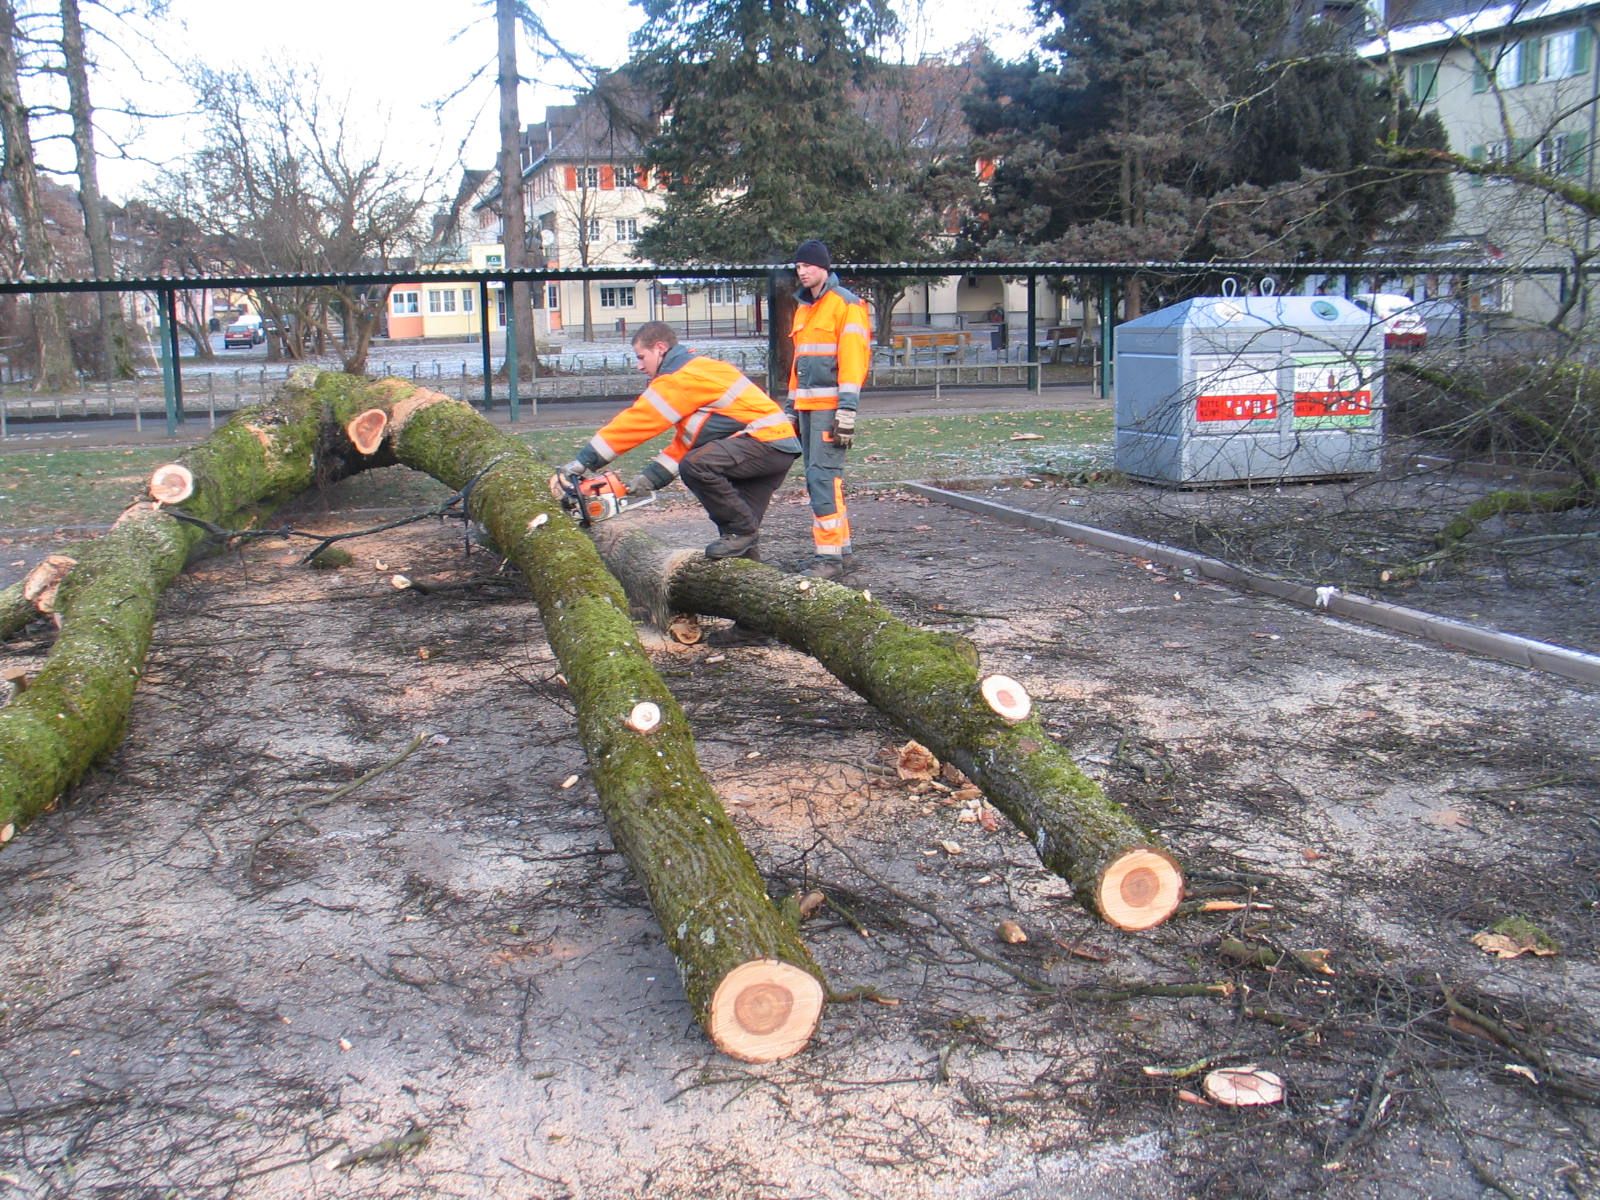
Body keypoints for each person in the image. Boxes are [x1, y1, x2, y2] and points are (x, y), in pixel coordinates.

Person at [559, 322, 800, 562]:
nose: (639, 365)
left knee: (699, 470)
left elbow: (635, 423)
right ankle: (747, 574)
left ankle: (741, 533)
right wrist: (649, 479)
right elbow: (687, 443)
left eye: (641, 357)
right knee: (736, 536)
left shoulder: (679, 378)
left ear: (660, 348)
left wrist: (582, 462)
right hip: (774, 447)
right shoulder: (697, 370)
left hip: (765, 442)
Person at [788, 238, 871, 580]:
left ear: (823, 267)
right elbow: (798, 364)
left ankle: (829, 558)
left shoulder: (846, 305)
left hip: (830, 408)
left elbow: (854, 361)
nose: (802, 271)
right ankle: (842, 552)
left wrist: (847, 410)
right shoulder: (804, 308)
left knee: (822, 478)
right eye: (798, 266)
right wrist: (791, 408)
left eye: (807, 265)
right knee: (823, 478)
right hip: (808, 408)